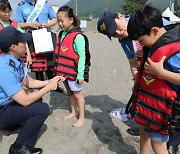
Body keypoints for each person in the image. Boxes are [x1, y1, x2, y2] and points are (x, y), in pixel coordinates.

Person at [97, 11, 171, 137]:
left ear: (120, 16)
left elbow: (170, 38)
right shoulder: (124, 41)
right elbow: (133, 64)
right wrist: (137, 81)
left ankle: (173, 138)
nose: (119, 33)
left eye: (117, 28)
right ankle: (143, 125)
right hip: (149, 76)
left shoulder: (144, 20)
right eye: (114, 34)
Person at [0, 26, 65, 154]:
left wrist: (49, 81)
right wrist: (48, 88)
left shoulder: (16, 60)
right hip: (2, 110)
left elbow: (28, 81)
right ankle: (19, 147)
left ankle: (11, 124)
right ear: (13, 47)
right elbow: (24, 101)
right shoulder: (4, 68)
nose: (26, 44)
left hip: (9, 104)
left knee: (37, 100)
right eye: (23, 42)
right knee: (42, 109)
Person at [127, 5, 180, 154]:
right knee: (143, 133)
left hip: (162, 112)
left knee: (159, 146)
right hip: (148, 107)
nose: (141, 44)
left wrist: (161, 73)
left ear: (155, 31)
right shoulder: (154, 44)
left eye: (142, 41)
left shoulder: (173, 51)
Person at [15, 0, 66, 94]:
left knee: (50, 62)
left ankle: (54, 85)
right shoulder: (21, 6)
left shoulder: (44, 3)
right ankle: (41, 86)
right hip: (31, 36)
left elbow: (54, 18)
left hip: (45, 35)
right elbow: (17, 24)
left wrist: (47, 24)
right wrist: (29, 24)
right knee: (37, 64)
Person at [54, 6, 90, 127]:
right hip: (64, 72)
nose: (59, 24)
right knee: (70, 93)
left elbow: (82, 57)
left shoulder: (78, 37)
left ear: (71, 20)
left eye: (62, 21)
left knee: (77, 94)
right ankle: (74, 112)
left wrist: (80, 75)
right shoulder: (62, 34)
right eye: (58, 21)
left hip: (74, 73)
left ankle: (82, 117)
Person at [0, 0, 32, 65]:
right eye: (4, 12)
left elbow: (23, 40)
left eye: (9, 11)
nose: (7, 14)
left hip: (17, 57)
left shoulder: (15, 24)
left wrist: (28, 55)